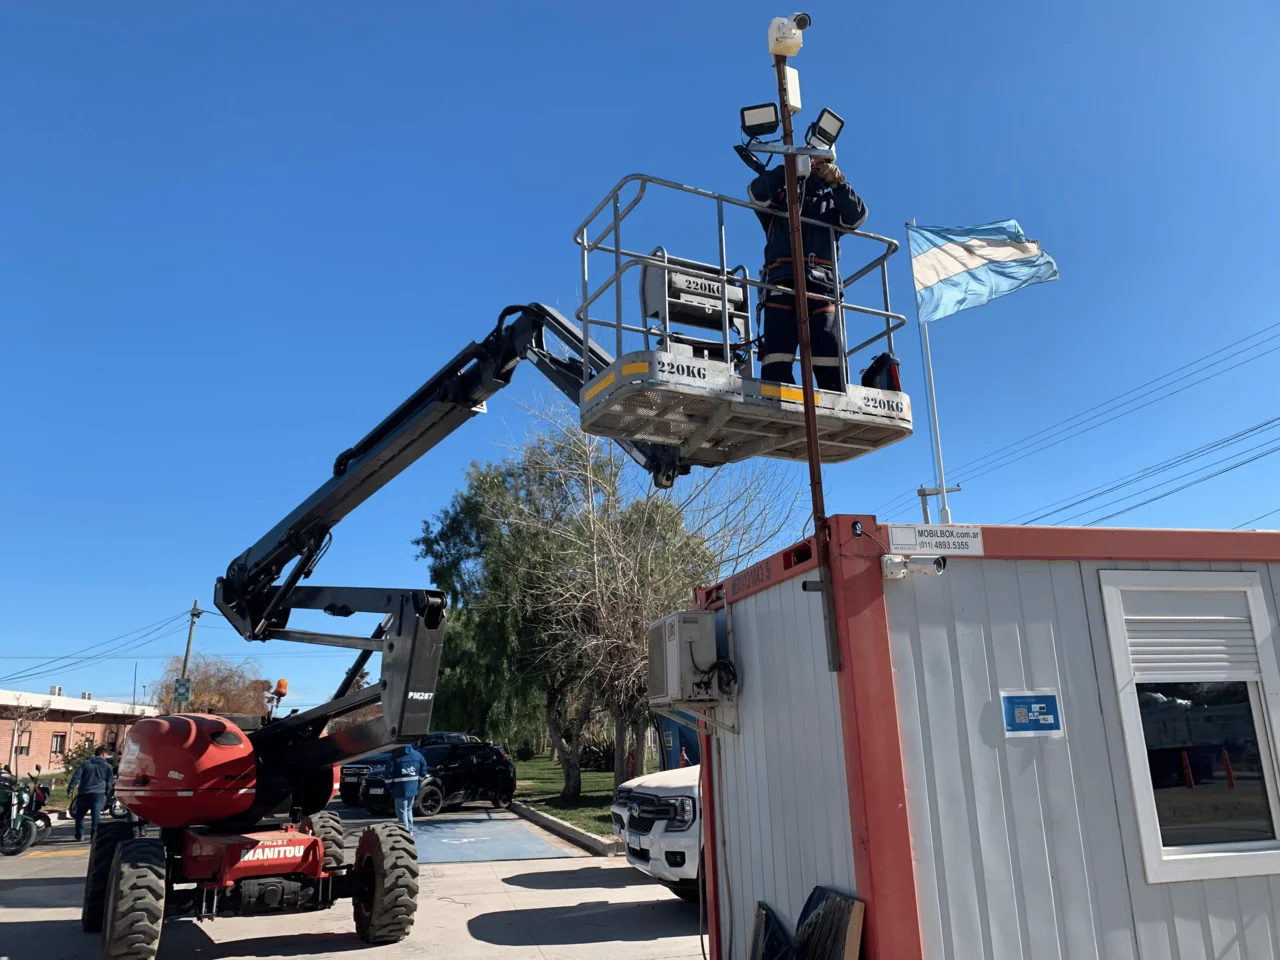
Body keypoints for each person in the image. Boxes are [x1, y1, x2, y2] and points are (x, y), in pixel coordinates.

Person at [748, 157, 868, 390]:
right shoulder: (780, 199)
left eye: (823, 162)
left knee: (830, 357)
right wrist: (789, 168)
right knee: (777, 359)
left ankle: (833, 403)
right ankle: (777, 401)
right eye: (813, 160)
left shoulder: (832, 203)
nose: (817, 165)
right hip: (782, 282)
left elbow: (857, 216)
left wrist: (839, 184)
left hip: (823, 287)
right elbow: (756, 192)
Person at [68, 746, 114, 841]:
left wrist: (71, 788)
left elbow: (76, 776)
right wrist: (107, 792)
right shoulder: (107, 766)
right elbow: (109, 781)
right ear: (103, 754)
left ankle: (79, 834)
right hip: (99, 794)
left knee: (79, 815)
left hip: (84, 793)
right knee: (96, 816)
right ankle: (94, 837)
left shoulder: (85, 763)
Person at [389, 742, 427, 833]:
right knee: (409, 809)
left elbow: (388, 775)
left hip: (399, 789)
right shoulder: (417, 755)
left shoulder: (394, 757)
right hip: (413, 788)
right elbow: (424, 770)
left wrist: (390, 787)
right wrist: (418, 782)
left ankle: (405, 833)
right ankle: (410, 830)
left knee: (401, 812)